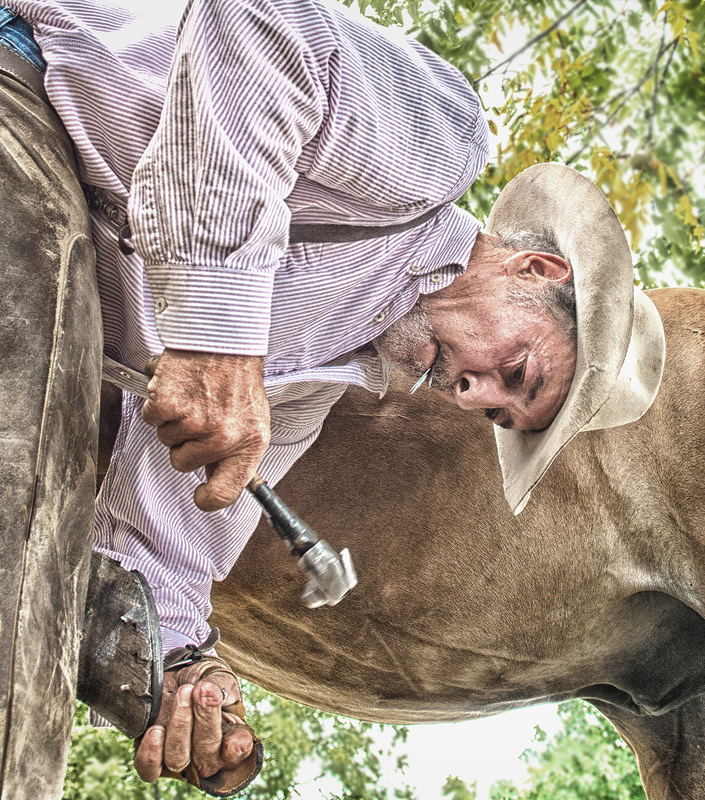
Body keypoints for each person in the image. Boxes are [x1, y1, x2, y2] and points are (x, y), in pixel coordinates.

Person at [0, 0, 663, 796]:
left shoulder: (307, 391)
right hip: (26, 81)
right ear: (537, 272)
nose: (466, 391)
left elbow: (159, 555)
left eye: (493, 411)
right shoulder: (440, 144)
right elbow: (254, 24)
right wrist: (219, 333)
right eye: (512, 371)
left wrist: (181, 670)